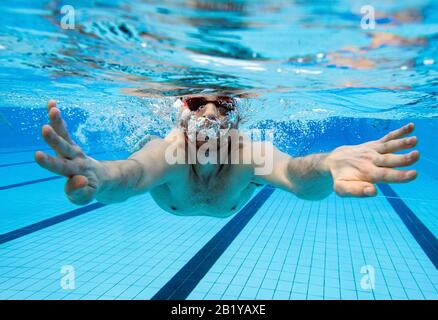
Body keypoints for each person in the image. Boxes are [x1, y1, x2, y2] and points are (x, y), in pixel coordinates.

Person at [35, 96, 419, 218]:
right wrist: (100, 176)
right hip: (157, 150)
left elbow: (296, 176)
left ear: (237, 114)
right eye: (196, 103)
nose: (209, 114)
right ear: (181, 109)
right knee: (146, 145)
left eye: (223, 103)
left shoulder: (247, 154)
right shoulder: (170, 151)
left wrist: (327, 163)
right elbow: (132, 175)